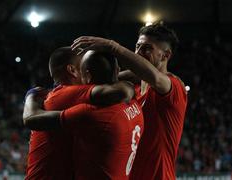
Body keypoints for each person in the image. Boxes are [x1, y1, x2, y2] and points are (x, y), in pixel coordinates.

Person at [71, 23, 187, 180]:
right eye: (137, 46)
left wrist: (112, 46)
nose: (139, 52)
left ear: (166, 55)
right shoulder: (134, 90)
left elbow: (155, 77)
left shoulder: (174, 87)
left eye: (147, 48)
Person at [23, 51, 144, 180]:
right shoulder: (64, 97)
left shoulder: (66, 97)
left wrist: (30, 95)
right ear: (73, 70)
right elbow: (122, 90)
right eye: (85, 68)